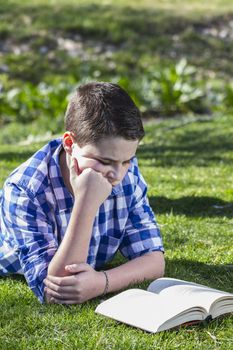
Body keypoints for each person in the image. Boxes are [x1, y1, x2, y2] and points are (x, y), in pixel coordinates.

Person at [0, 82, 165, 305]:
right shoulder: (25, 190)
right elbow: (56, 290)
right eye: (103, 161)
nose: (117, 174)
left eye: (127, 160)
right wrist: (86, 203)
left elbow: (154, 260)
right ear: (69, 143)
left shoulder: (126, 172)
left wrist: (101, 282)